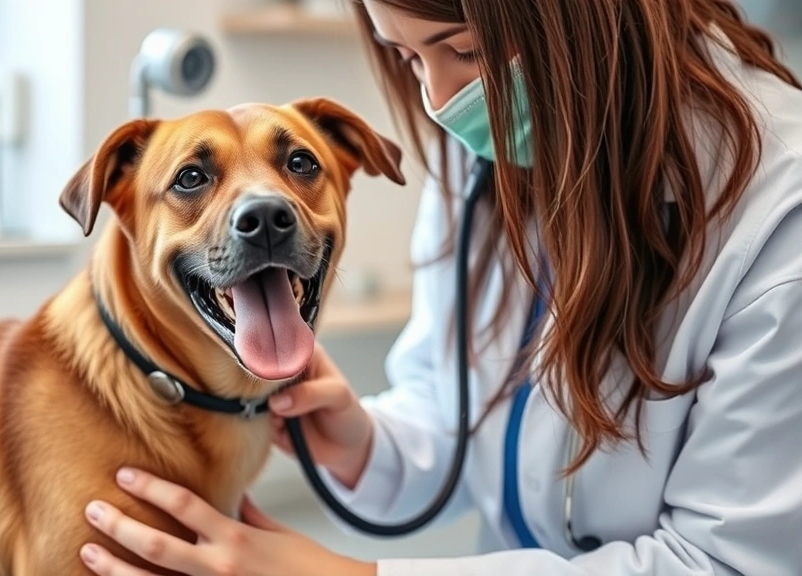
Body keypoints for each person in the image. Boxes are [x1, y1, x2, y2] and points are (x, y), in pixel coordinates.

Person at [77, 0, 802, 574]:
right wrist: (364, 441)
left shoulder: (778, 217)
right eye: (406, 55)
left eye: (464, 50)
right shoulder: (488, 142)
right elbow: (462, 409)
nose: (440, 99)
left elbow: (727, 563)